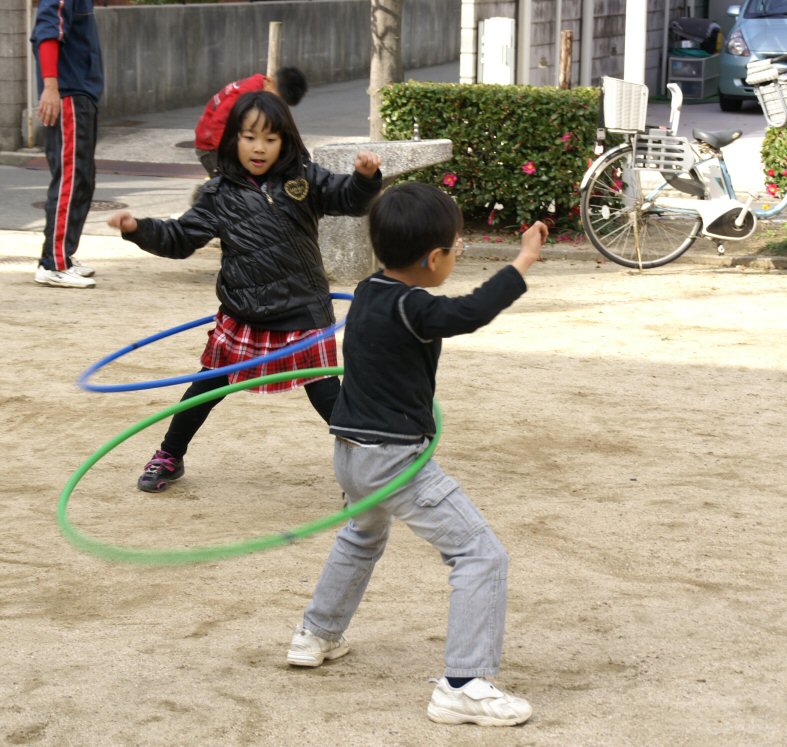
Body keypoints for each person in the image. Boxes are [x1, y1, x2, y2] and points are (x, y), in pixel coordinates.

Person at [287, 182, 548, 727]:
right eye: (456, 248)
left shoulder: (368, 290)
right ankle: (463, 685)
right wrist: (523, 259)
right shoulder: (414, 306)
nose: (457, 255)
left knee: (361, 536)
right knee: (480, 555)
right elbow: (471, 311)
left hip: (349, 453)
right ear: (434, 259)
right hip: (393, 461)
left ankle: (316, 634)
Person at [107, 91, 381, 492]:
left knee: (328, 397)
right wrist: (138, 229)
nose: (259, 148)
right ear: (234, 138)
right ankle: (169, 455)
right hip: (245, 312)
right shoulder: (218, 194)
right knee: (205, 389)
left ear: (285, 141)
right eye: (250, 137)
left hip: (303, 310)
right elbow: (180, 238)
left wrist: (365, 179)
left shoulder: (304, 178)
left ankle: (369, 469)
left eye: (270, 138)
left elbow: (349, 199)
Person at [31, 0, 104, 289]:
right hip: (68, 93)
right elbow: (47, 31)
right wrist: (50, 87)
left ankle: (63, 254)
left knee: (82, 178)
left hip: (80, 93)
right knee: (70, 179)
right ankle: (53, 262)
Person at [194, 67, 308, 177]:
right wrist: (229, 155)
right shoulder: (246, 94)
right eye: (275, 98)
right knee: (228, 180)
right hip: (210, 147)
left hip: (227, 141)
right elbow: (217, 123)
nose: (274, 103)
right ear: (269, 81)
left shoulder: (261, 91)